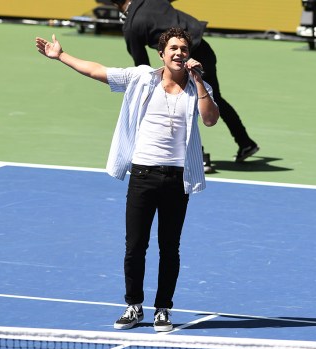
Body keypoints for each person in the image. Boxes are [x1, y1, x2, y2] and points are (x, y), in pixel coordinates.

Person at [35, 27, 219, 332]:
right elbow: (97, 71)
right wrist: (60, 56)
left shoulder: (199, 87)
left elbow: (210, 119)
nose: (179, 53)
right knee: (135, 246)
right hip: (143, 176)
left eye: (184, 49)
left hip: (176, 179)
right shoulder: (141, 78)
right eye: (173, 48)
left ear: (189, 55)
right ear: (162, 54)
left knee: (169, 248)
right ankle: (134, 306)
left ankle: (163, 309)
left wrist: (199, 81)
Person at [109, 0, 259, 173]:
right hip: (204, 51)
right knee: (213, 98)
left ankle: (201, 158)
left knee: (182, 105)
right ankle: (245, 142)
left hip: (181, 62)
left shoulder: (131, 27)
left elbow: (142, 67)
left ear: (115, 5)